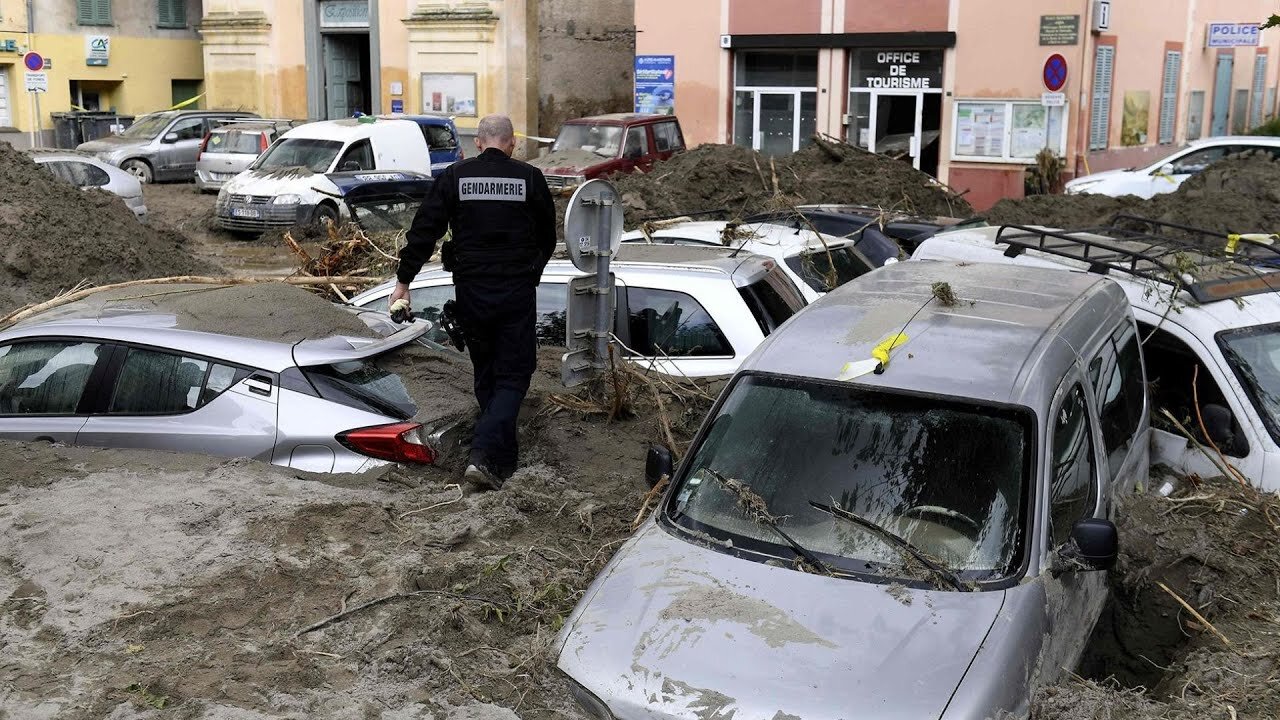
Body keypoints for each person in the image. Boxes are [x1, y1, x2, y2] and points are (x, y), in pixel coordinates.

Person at [391, 114, 557, 490]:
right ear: (512, 143)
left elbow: (424, 231)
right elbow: (548, 237)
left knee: (486, 372)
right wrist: (530, 274)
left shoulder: (454, 177)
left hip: (471, 292)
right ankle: (483, 456)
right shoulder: (530, 178)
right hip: (515, 293)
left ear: (479, 143)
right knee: (514, 375)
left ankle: (503, 458)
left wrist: (404, 281)